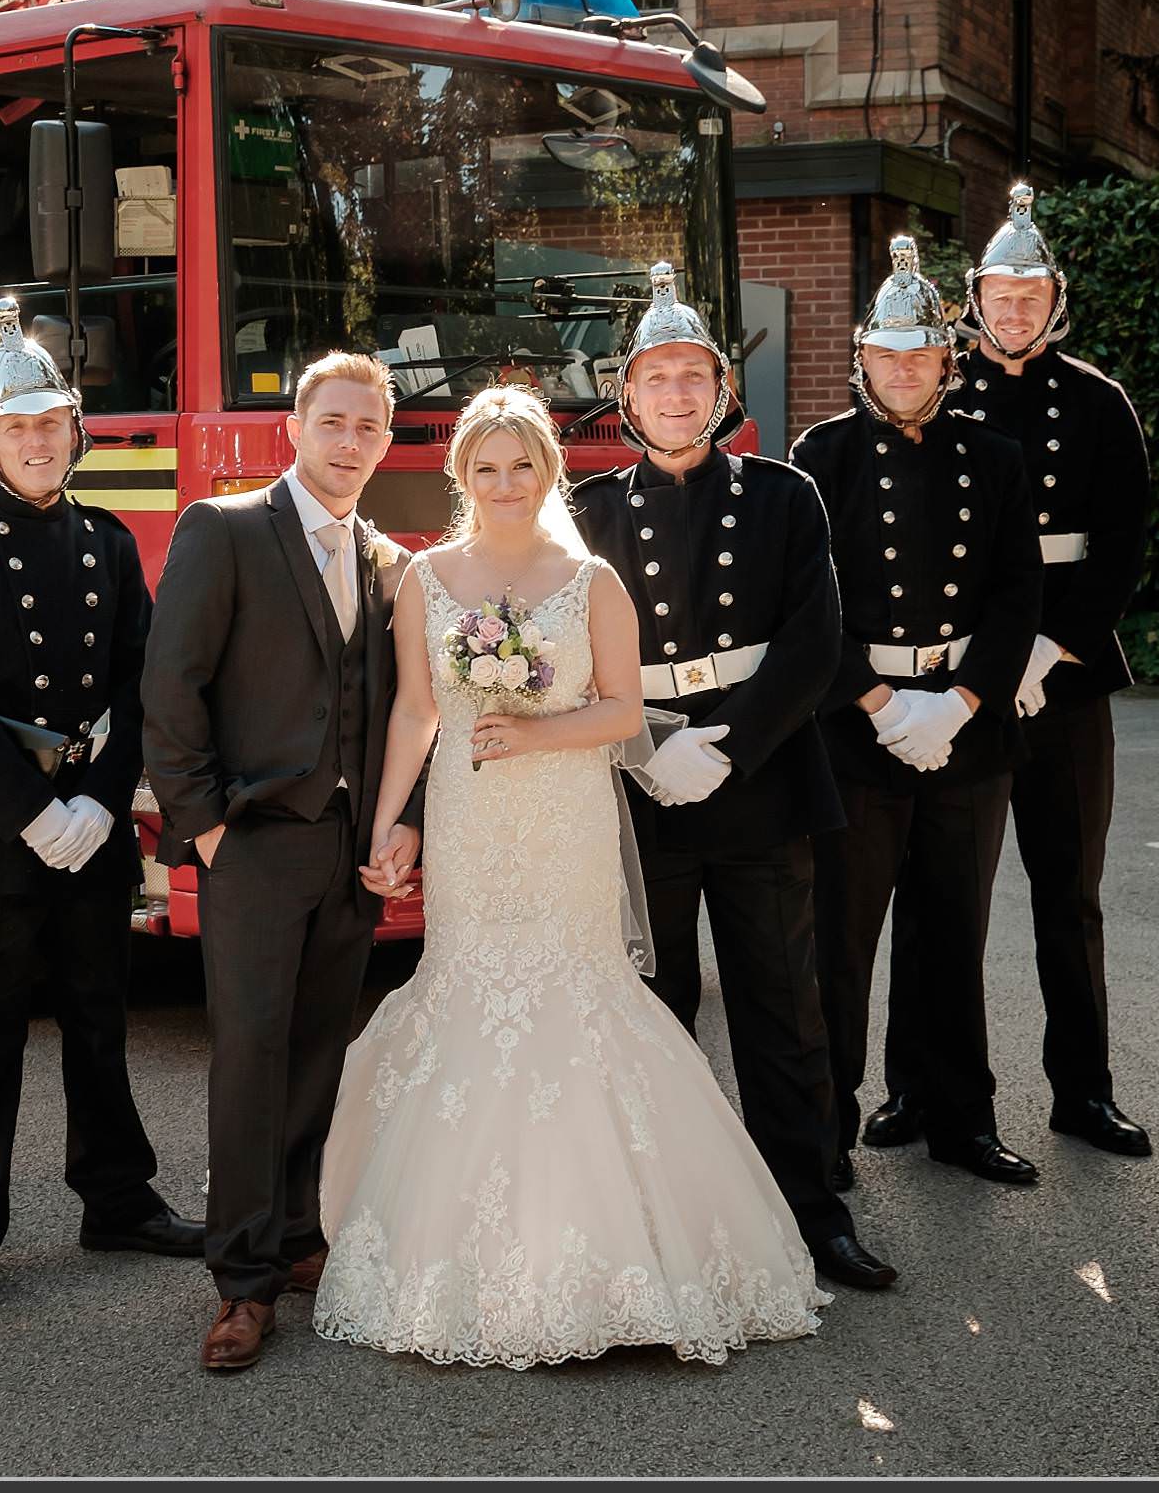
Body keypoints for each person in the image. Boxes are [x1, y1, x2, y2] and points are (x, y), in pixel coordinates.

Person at [312, 386, 826, 1369]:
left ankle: (639, 1259)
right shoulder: (426, 579)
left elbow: (624, 712)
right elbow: (418, 711)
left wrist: (540, 727)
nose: (505, 484)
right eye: (485, 468)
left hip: (565, 823)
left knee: (578, 996)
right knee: (473, 996)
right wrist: (388, 825)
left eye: (523, 465)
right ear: (460, 477)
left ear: (550, 470)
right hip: (471, 824)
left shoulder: (591, 580)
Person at [575, 264, 897, 1295]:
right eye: (655, 376)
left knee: (784, 1007)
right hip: (642, 790)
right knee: (654, 1008)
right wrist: (645, 751)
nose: (675, 393)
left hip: (757, 779)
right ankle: (671, 1217)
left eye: (692, 374)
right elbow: (565, 656)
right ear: (626, 397)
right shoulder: (583, 510)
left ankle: (812, 1209)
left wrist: (727, 744)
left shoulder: (784, 494)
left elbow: (814, 640)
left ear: (722, 389)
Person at [0, 300, 202, 1311]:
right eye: (15, 426)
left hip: (92, 816)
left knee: (98, 1019)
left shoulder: (107, 541)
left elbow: (139, 680)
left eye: (51, 422)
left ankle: (116, 1196)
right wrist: (34, 810)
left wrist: (105, 802)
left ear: (76, 431)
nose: (36, 440)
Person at [140, 354, 420, 1373]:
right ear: (293, 428)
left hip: (348, 855)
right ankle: (241, 1279)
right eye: (334, 422)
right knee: (250, 1060)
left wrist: (400, 825)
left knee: (317, 1052)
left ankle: (299, 1232)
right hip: (253, 845)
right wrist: (206, 831)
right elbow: (170, 691)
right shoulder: (226, 529)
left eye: (369, 429)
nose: (351, 443)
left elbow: (397, 710)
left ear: (385, 444)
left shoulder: (388, 558)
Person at [867, 186, 1156, 1164]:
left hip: (1064, 680)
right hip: (965, 679)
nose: (1015, 306)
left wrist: (1051, 647)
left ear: (1054, 298)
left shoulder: (1099, 401)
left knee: (1067, 894)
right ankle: (915, 1087)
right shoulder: (939, 396)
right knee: (932, 892)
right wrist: (992, 662)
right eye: (1000, 291)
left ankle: (1084, 1090)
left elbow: (1118, 545)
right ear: (974, 298)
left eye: (1031, 292)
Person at [791, 239, 1043, 1193]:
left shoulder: (995, 456)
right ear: (863, 361)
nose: (905, 371)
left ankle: (958, 1119)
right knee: (843, 945)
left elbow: (1018, 592)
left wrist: (963, 702)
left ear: (948, 357)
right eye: (887, 355)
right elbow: (806, 602)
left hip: (966, 730)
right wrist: (882, 701)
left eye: (922, 355)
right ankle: (828, 1128)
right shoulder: (819, 457)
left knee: (952, 935)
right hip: (858, 727)